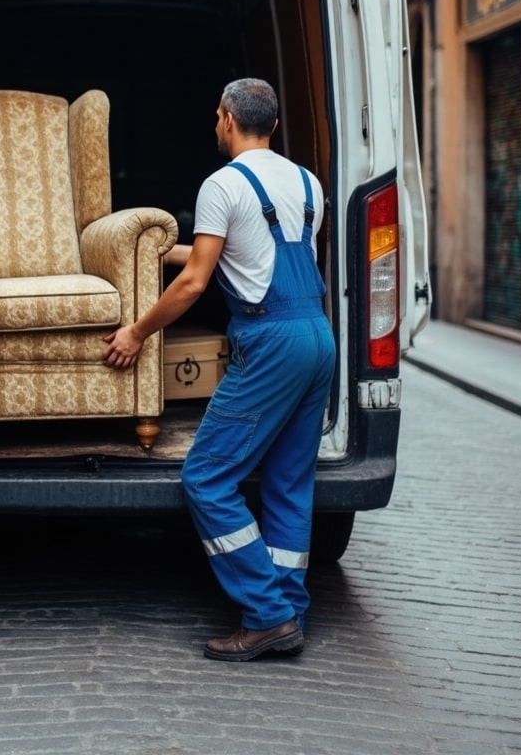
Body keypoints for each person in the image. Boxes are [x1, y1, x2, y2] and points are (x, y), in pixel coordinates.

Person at [103, 77, 335, 662]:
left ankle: (268, 614)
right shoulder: (309, 184)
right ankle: (289, 608)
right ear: (274, 126)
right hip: (317, 335)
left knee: (206, 478)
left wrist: (136, 331)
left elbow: (195, 281)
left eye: (216, 119)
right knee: (287, 483)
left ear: (226, 119)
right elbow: (244, 248)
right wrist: (154, 245)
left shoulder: (221, 184)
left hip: (271, 340)